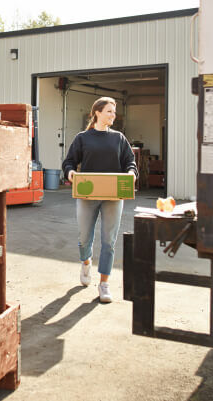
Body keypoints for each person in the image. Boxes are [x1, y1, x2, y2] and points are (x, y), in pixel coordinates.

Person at [61, 97, 137, 303]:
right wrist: (70, 174)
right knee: (85, 237)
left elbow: (130, 161)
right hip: (87, 194)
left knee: (109, 242)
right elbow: (69, 162)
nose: (113, 115)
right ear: (97, 113)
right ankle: (86, 262)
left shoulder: (119, 138)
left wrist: (131, 173)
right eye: (109, 111)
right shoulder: (82, 138)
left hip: (113, 196)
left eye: (114, 112)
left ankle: (104, 284)